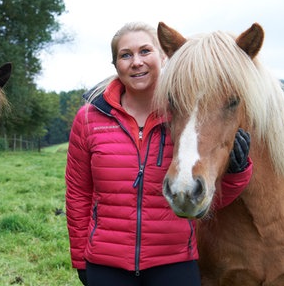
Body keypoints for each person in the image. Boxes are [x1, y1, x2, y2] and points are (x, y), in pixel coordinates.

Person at [65, 22, 253, 286]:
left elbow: (208, 201)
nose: (136, 62)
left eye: (145, 51)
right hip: (107, 262)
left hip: (173, 262)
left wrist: (237, 170)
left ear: (163, 57)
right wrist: (80, 259)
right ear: (115, 64)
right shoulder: (89, 119)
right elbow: (78, 195)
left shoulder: (184, 117)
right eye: (125, 55)